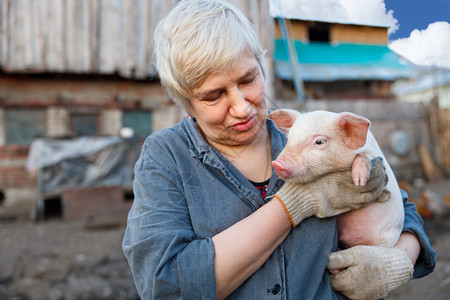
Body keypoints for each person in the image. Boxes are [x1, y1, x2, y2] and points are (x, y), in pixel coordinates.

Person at [122, 1, 435, 299]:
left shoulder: (307, 134)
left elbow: (396, 203)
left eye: (248, 79)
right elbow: (164, 283)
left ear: (262, 63)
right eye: (214, 96)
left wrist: (398, 262)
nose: (242, 107)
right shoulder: (166, 156)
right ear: (186, 103)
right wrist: (296, 204)